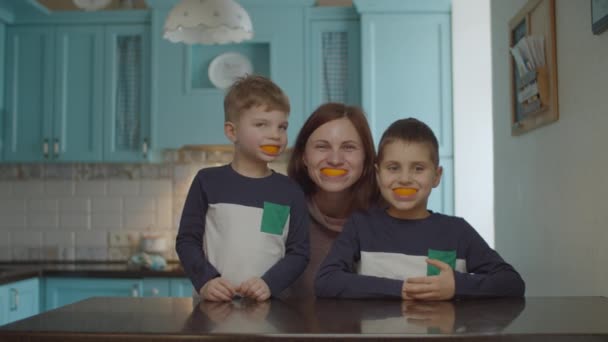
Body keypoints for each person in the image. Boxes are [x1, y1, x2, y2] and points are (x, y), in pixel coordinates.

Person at [315, 118, 525, 299]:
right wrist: (402, 289)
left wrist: (456, 286)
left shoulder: (457, 231)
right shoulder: (361, 226)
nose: (405, 179)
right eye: (393, 168)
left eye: (418, 169)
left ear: (436, 176)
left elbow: (512, 283)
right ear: (378, 175)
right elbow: (326, 281)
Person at [176, 75, 310, 302]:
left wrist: (269, 284)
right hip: (213, 306)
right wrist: (207, 281)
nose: (275, 135)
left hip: (271, 311)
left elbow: (299, 253)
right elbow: (187, 241)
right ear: (232, 132)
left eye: (282, 126)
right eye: (261, 124)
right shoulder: (207, 181)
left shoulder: (289, 191)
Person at [286, 102, 378, 299]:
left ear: (366, 157)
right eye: (322, 146)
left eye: (348, 147)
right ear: (304, 156)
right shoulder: (281, 211)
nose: (335, 159)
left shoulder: (388, 217)